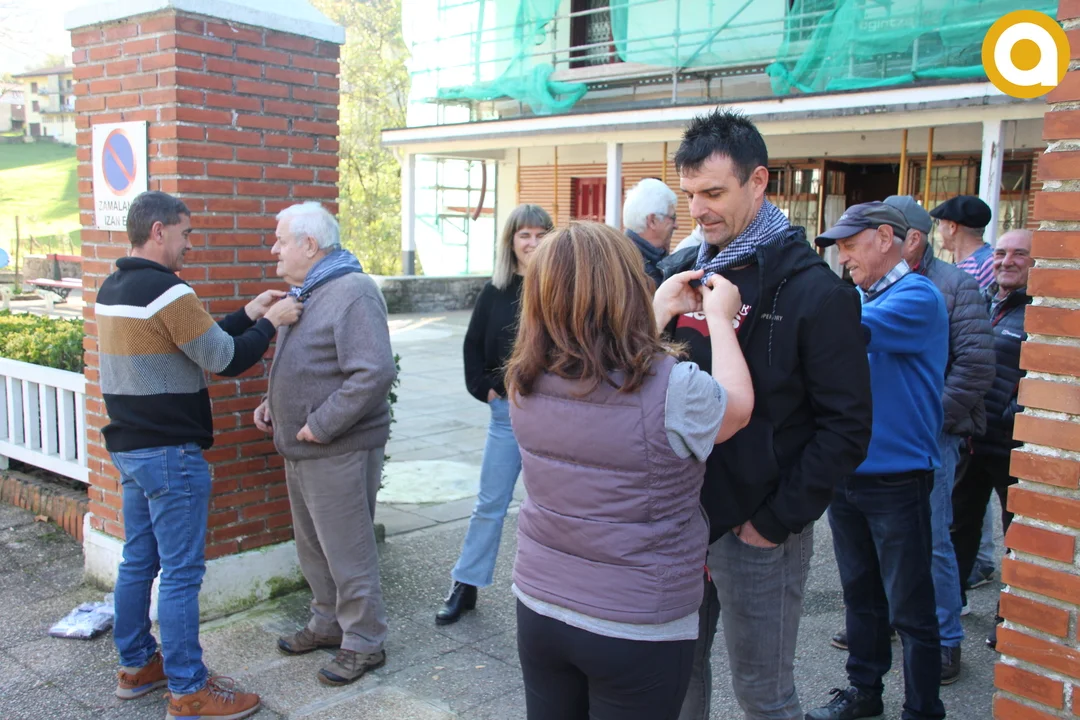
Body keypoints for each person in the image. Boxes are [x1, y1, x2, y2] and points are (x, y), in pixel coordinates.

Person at [659, 109, 873, 720]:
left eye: (713, 192)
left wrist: (775, 521)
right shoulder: (679, 274)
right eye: (690, 194)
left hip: (758, 532)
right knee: (674, 683)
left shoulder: (816, 292)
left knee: (764, 697)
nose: (698, 209)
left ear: (758, 182)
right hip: (679, 521)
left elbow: (847, 427)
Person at [507, 220, 755, 720]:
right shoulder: (676, 387)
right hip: (637, 622)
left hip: (542, 605)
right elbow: (736, 409)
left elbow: (604, 377)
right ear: (625, 288)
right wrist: (720, 319)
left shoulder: (524, 379)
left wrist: (660, 310)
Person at [98, 191, 302, 720]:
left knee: (138, 561)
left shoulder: (114, 286)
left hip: (131, 450)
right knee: (182, 573)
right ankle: (189, 690)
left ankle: (137, 666)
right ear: (159, 231)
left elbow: (194, 340)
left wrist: (248, 312)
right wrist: (273, 321)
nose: (189, 244)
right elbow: (225, 360)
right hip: (170, 454)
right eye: (186, 233)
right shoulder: (167, 290)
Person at [809, 202, 947, 720]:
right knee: (861, 596)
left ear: (885, 238)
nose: (843, 257)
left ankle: (923, 709)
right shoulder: (865, 297)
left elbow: (848, 327)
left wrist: (801, 299)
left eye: (850, 245)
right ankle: (864, 693)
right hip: (850, 473)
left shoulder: (917, 295)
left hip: (896, 478)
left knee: (910, 607)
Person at [257, 202, 397, 686]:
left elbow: (374, 371)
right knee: (314, 548)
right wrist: (272, 403)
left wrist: (321, 424)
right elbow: (311, 363)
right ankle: (327, 623)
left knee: (348, 551)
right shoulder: (313, 289)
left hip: (337, 447)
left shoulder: (353, 291)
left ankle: (365, 642)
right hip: (303, 447)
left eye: (280, 240)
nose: (274, 249)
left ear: (310, 244)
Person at [879, 194, 993, 684]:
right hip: (883, 436)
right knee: (885, 535)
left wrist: (926, 419)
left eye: (883, 234)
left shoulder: (955, 284)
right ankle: (889, 618)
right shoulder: (874, 283)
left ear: (912, 239)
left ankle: (947, 638)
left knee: (933, 539)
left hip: (932, 435)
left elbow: (975, 366)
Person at [436, 204, 554, 625]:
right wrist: (485, 390)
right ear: (511, 242)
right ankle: (465, 583)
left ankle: (555, 591)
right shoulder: (495, 292)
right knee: (490, 503)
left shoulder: (561, 289)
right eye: (525, 235)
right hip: (506, 414)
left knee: (555, 506)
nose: (533, 243)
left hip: (554, 416)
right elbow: (472, 347)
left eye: (541, 234)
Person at [951, 229, 1034, 650]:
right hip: (972, 441)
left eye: (1019, 254)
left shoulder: (1041, 313)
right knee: (957, 528)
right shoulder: (980, 302)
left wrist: (1011, 415)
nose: (1007, 261)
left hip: (1013, 446)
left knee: (1018, 536)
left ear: (1035, 263)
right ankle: (952, 606)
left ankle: (1012, 618)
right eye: (1001, 253)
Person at [623, 178, 679, 287]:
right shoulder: (636, 271)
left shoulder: (628, 257)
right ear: (652, 220)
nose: (676, 226)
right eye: (673, 218)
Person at [931, 195, 995, 290]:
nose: (938, 230)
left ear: (952, 227)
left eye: (938, 223)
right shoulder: (960, 265)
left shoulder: (988, 263)